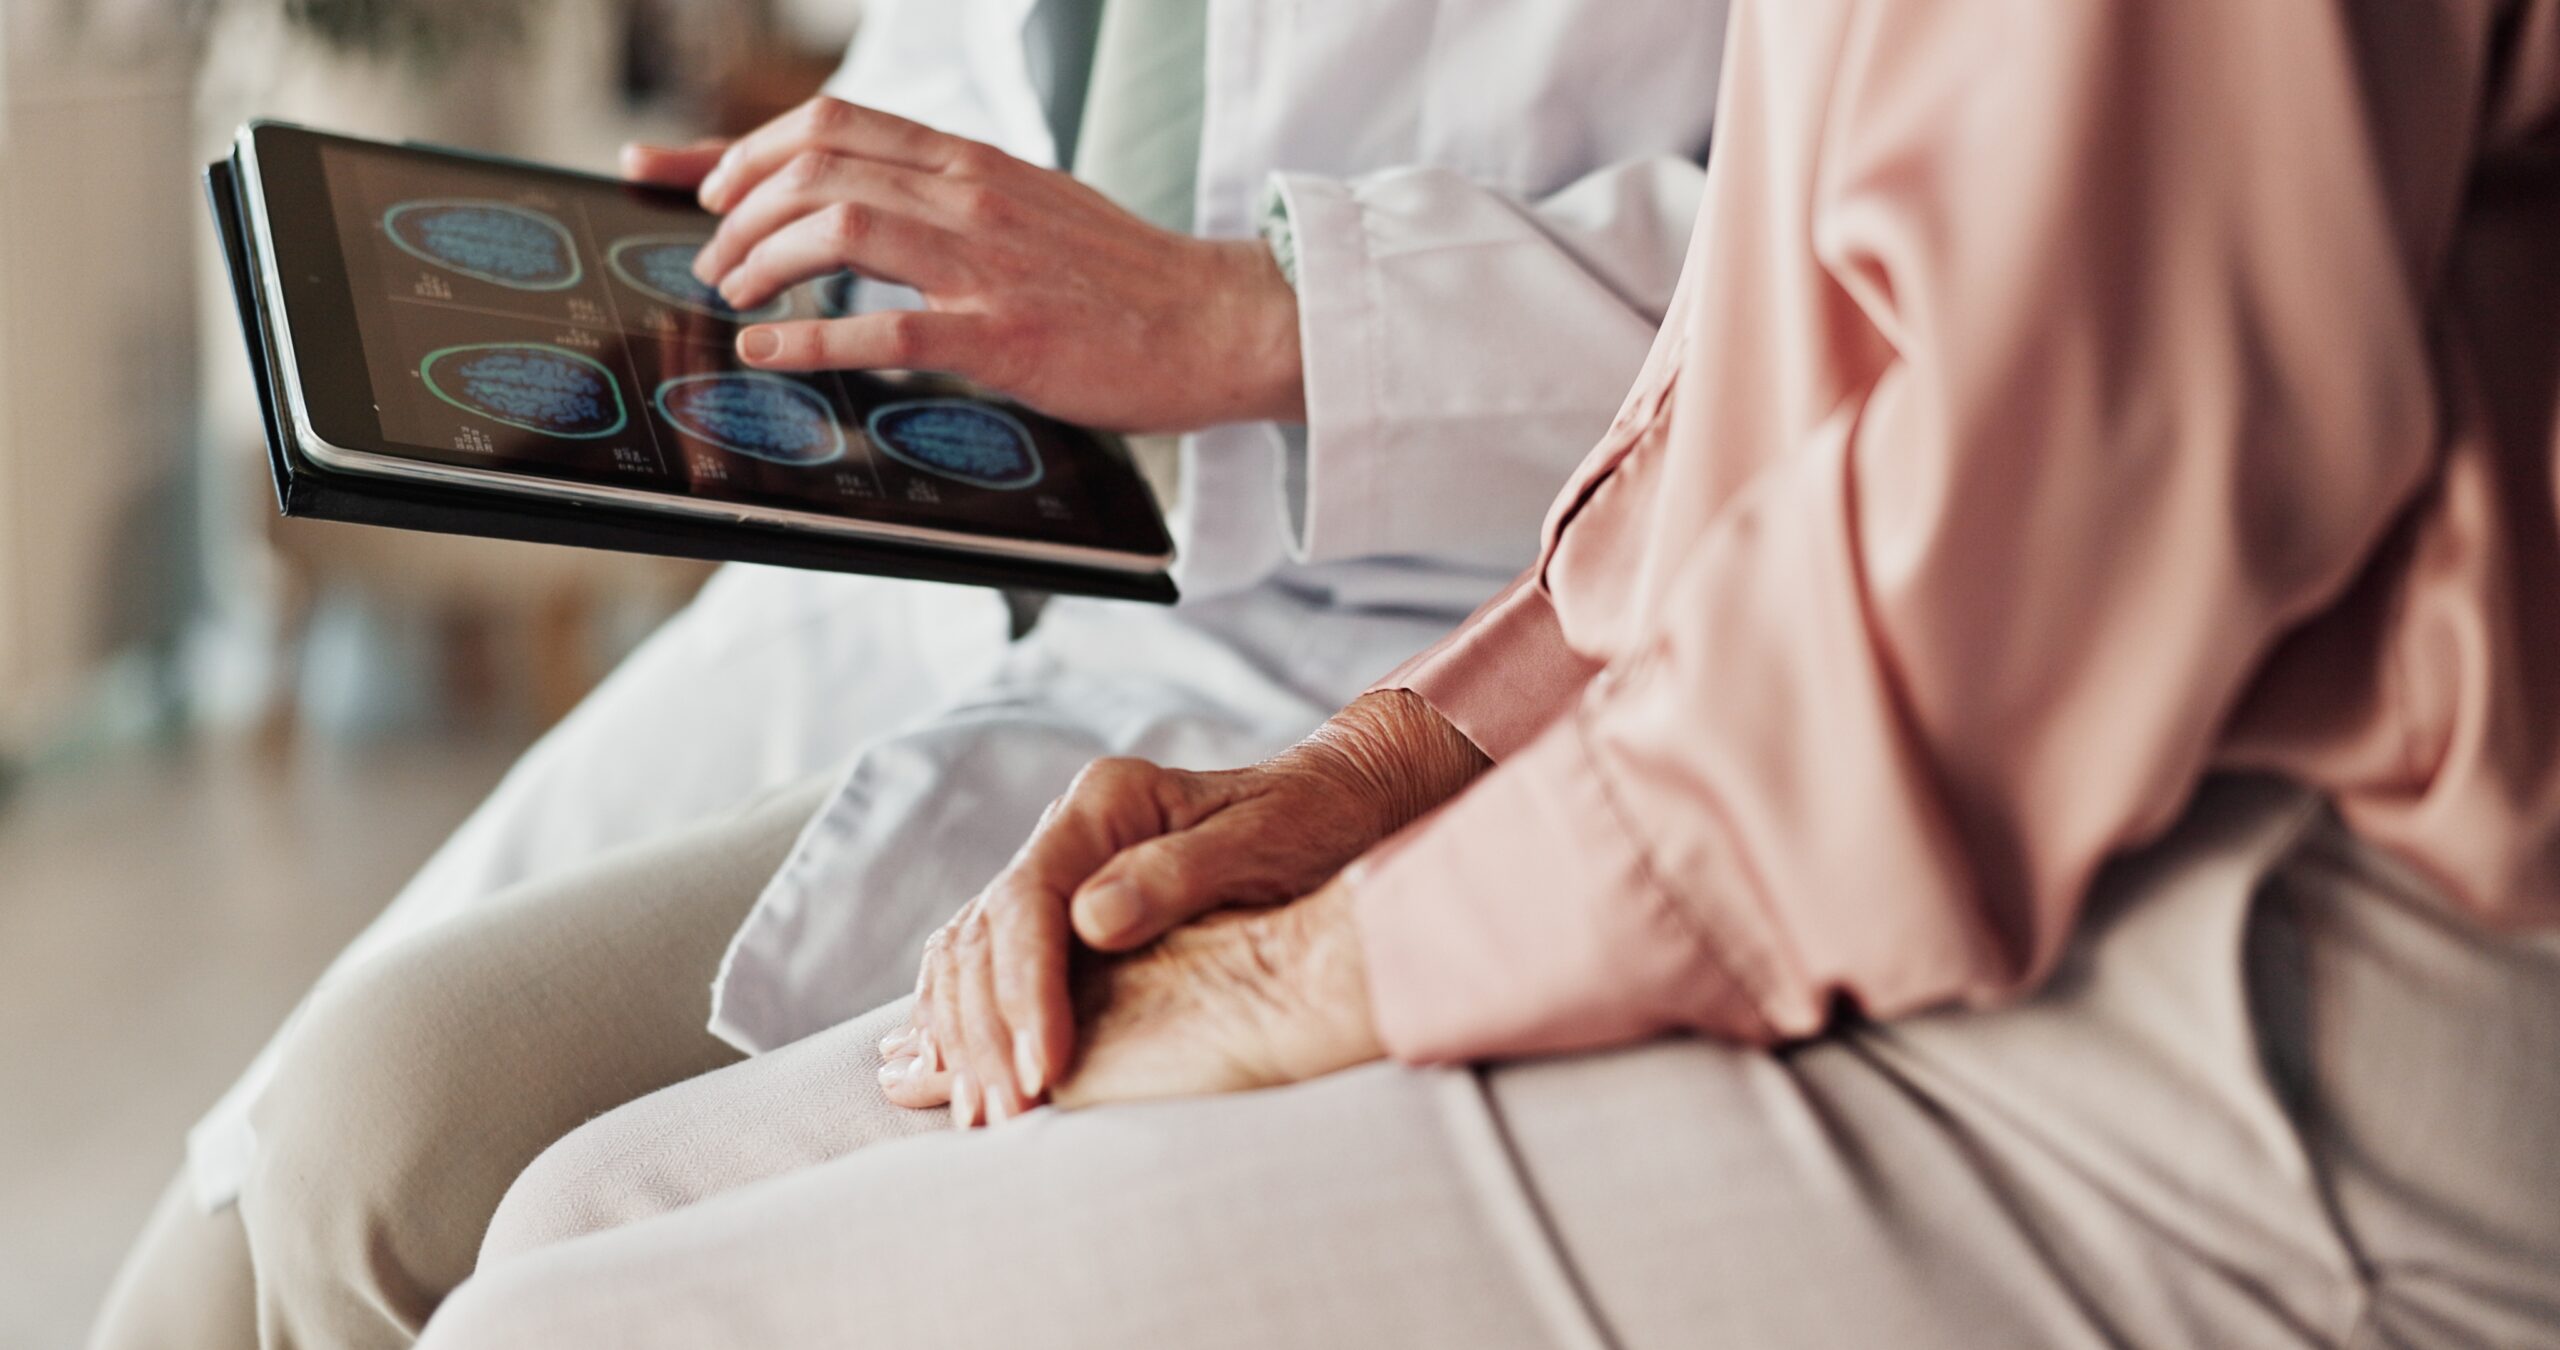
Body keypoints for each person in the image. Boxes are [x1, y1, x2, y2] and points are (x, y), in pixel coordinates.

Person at [385, 0, 2560, 1343]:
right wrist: (1411, 759)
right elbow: (1827, 338)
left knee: (580, 1317)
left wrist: (1324, 967)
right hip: (1725, 698)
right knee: (580, 1206)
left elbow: (2051, 524)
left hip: (2264, 945)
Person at [89, 3, 1732, 1347]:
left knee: (380, 1165)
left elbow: (1857, 282)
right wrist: (819, 214)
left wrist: (1255, 311)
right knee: (194, 1284)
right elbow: (996, 70)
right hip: (943, 535)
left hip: (1436, 604)